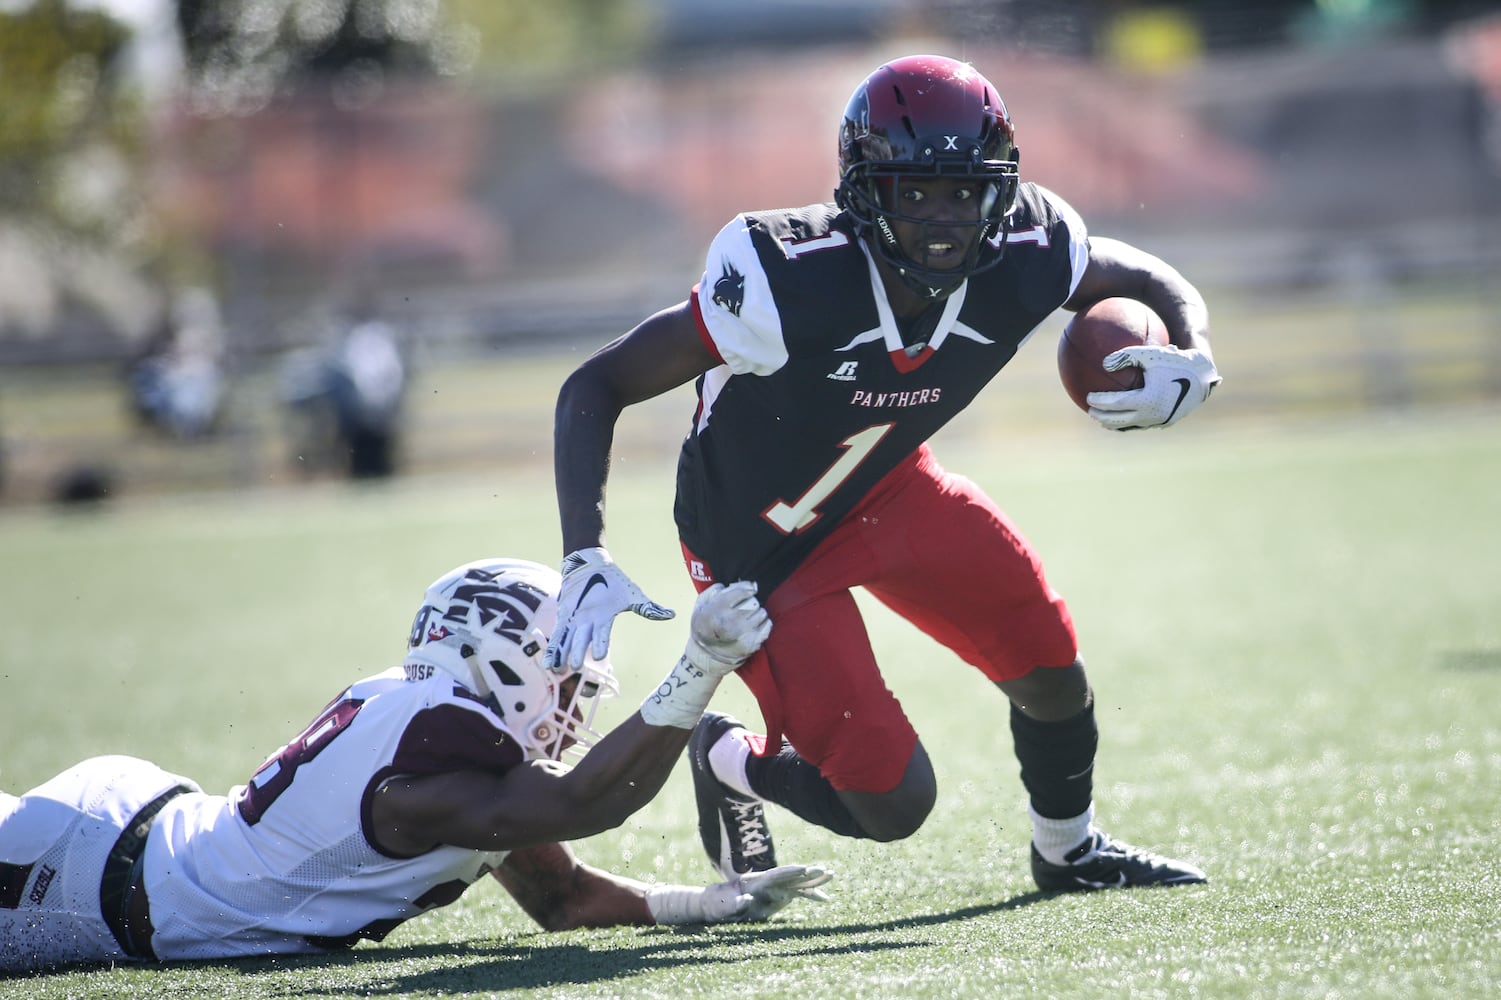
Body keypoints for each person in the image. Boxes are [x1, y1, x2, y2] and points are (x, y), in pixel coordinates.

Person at [548, 54, 1221, 895]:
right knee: (891, 802)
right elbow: (596, 384)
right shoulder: (785, 276)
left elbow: (1142, 276)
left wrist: (1191, 348)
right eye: (913, 193)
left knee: (1048, 668)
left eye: (964, 192)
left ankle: (1067, 851)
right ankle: (726, 759)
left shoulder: (1027, 245)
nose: (942, 220)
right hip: (762, 550)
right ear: (864, 190)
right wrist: (585, 552)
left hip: (891, 487)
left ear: (999, 189)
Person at [0, 558, 830, 972]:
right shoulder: (432, 760)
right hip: (75, 882)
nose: (577, 702)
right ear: (500, 660)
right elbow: (585, 801)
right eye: (566, 677)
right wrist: (699, 664)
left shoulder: (440, 733)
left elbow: (564, 898)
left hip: (122, 837)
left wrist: (709, 907)